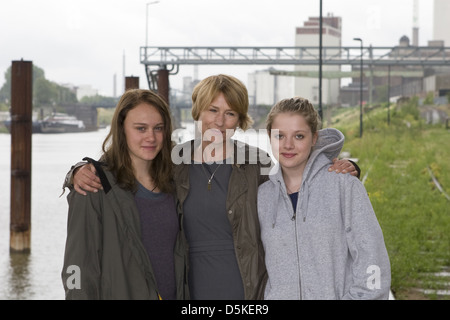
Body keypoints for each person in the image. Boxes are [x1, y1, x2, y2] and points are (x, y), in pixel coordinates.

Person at [65, 75, 359, 300]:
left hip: (245, 284)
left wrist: (342, 168)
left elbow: (298, 182)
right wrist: (78, 171)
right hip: (191, 285)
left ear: (240, 119)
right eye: (212, 110)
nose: (220, 121)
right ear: (198, 112)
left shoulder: (257, 162)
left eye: (230, 113)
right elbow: (123, 162)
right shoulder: (172, 161)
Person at [258, 97, 391, 300]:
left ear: (314, 138)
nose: (288, 145)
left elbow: (373, 260)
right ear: (269, 137)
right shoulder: (262, 196)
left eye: (299, 136)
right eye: (279, 136)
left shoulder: (344, 186)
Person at [61, 89, 189, 300]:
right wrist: (74, 173)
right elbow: (77, 268)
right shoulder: (94, 186)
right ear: (122, 129)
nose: (151, 137)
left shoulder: (177, 181)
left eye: (158, 128)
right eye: (141, 128)